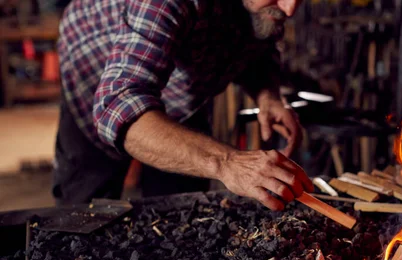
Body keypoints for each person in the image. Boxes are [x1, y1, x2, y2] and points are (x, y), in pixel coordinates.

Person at [53, 0, 314, 211]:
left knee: (180, 212)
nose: (290, 8)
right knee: (83, 213)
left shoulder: (270, 6)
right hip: (96, 75)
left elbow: (260, 46)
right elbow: (118, 105)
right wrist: (226, 161)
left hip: (183, 91)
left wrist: (268, 96)